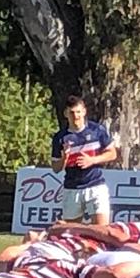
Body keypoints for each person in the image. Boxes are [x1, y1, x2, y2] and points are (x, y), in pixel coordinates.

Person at [52, 94, 118, 225]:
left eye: (78, 112)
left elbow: (112, 154)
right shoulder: (60, 137)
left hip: (96, 186)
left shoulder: (96, 130)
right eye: (72, 113)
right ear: (66, 114)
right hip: (72, 188)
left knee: (101, 231)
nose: (76, 116)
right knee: (71, 233)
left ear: (84, 111)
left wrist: (92, 160)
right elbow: (56, 168)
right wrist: (65, 158)